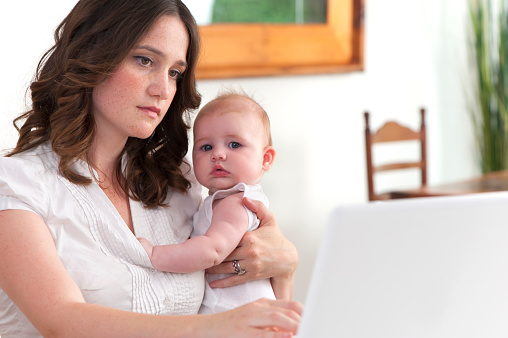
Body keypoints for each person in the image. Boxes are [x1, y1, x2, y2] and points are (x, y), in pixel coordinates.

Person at [0, 1, 301, 337]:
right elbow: (62, 321)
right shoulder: (16, 187)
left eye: (174, 72)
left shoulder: (177, 181)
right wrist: (214, 328)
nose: (163, 89)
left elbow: (257, 306)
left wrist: (284, 267)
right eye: (144, 60)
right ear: (93, 54)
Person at [139, 92, 282, 314]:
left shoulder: (236, 201)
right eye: (206, 147)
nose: (218, 154)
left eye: (234, 144)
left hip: (239, 320)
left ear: (265, 159)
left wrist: (155, 255)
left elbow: (212, 250)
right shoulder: (220, 200)